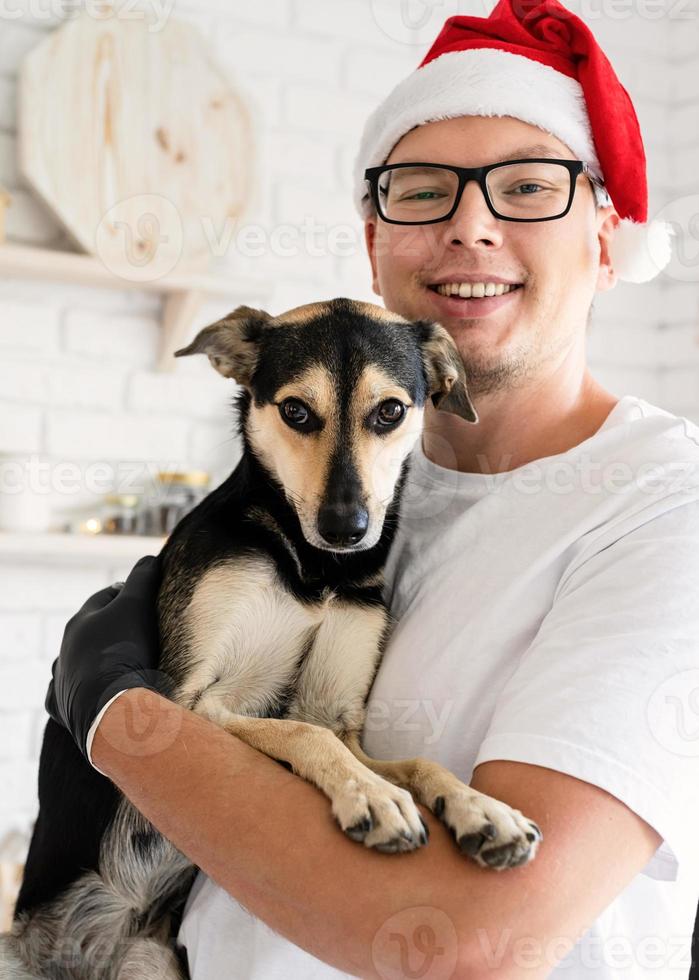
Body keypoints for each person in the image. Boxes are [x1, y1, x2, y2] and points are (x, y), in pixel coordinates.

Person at [45, 0, 699, 977]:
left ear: (608, 239)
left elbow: (478, 941)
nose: (470, 225)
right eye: (424, 191)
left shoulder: (660, 507)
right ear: (374, 242)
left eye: (527, 186)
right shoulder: (340, 492)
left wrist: (125, 722)